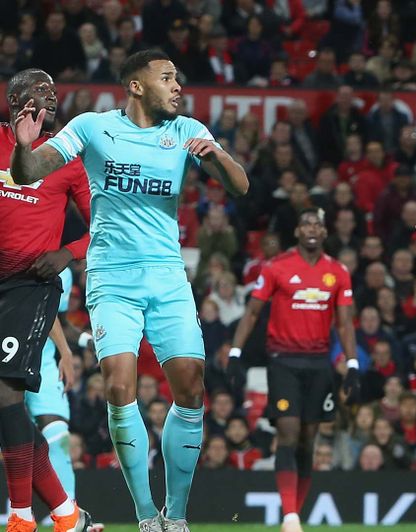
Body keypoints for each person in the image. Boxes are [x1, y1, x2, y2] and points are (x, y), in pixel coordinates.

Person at [11, 49, 250, 532]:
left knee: (191, 385)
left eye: (178, 78)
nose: (178, 87)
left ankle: (176, 515)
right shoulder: (92, 127)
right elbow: (27, 173)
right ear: (137, 86)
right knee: (120, 386)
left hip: (166, 274)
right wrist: (23, 145)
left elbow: (240, 187)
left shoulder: (186, 131)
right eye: (168, 78)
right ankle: (146, 516)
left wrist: (218, 156)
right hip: (111, 276)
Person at [0, 68, 98, 532]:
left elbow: (103, 226)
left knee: (6, 393)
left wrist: (66, 252)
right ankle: (67, 514)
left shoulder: (68, 158)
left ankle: (21, 517)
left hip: (31, 284)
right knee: (5, 407)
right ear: (15, 99)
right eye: (40, 90)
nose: (50, 96)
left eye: (54, 91)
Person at [227, 208, 360, 532]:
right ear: (297, 232)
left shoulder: (338, 271)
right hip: (283, 361)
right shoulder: (277, 267)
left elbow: (344, 322)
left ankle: (293, 515)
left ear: (324, 233)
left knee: (307, 440)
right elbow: (253, 311)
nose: (312, 228)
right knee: (287, 432)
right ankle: (290, 518)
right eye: (306, 224)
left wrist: (352, 365)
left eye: (317, 224)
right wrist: (234, 353)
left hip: (319, 364)